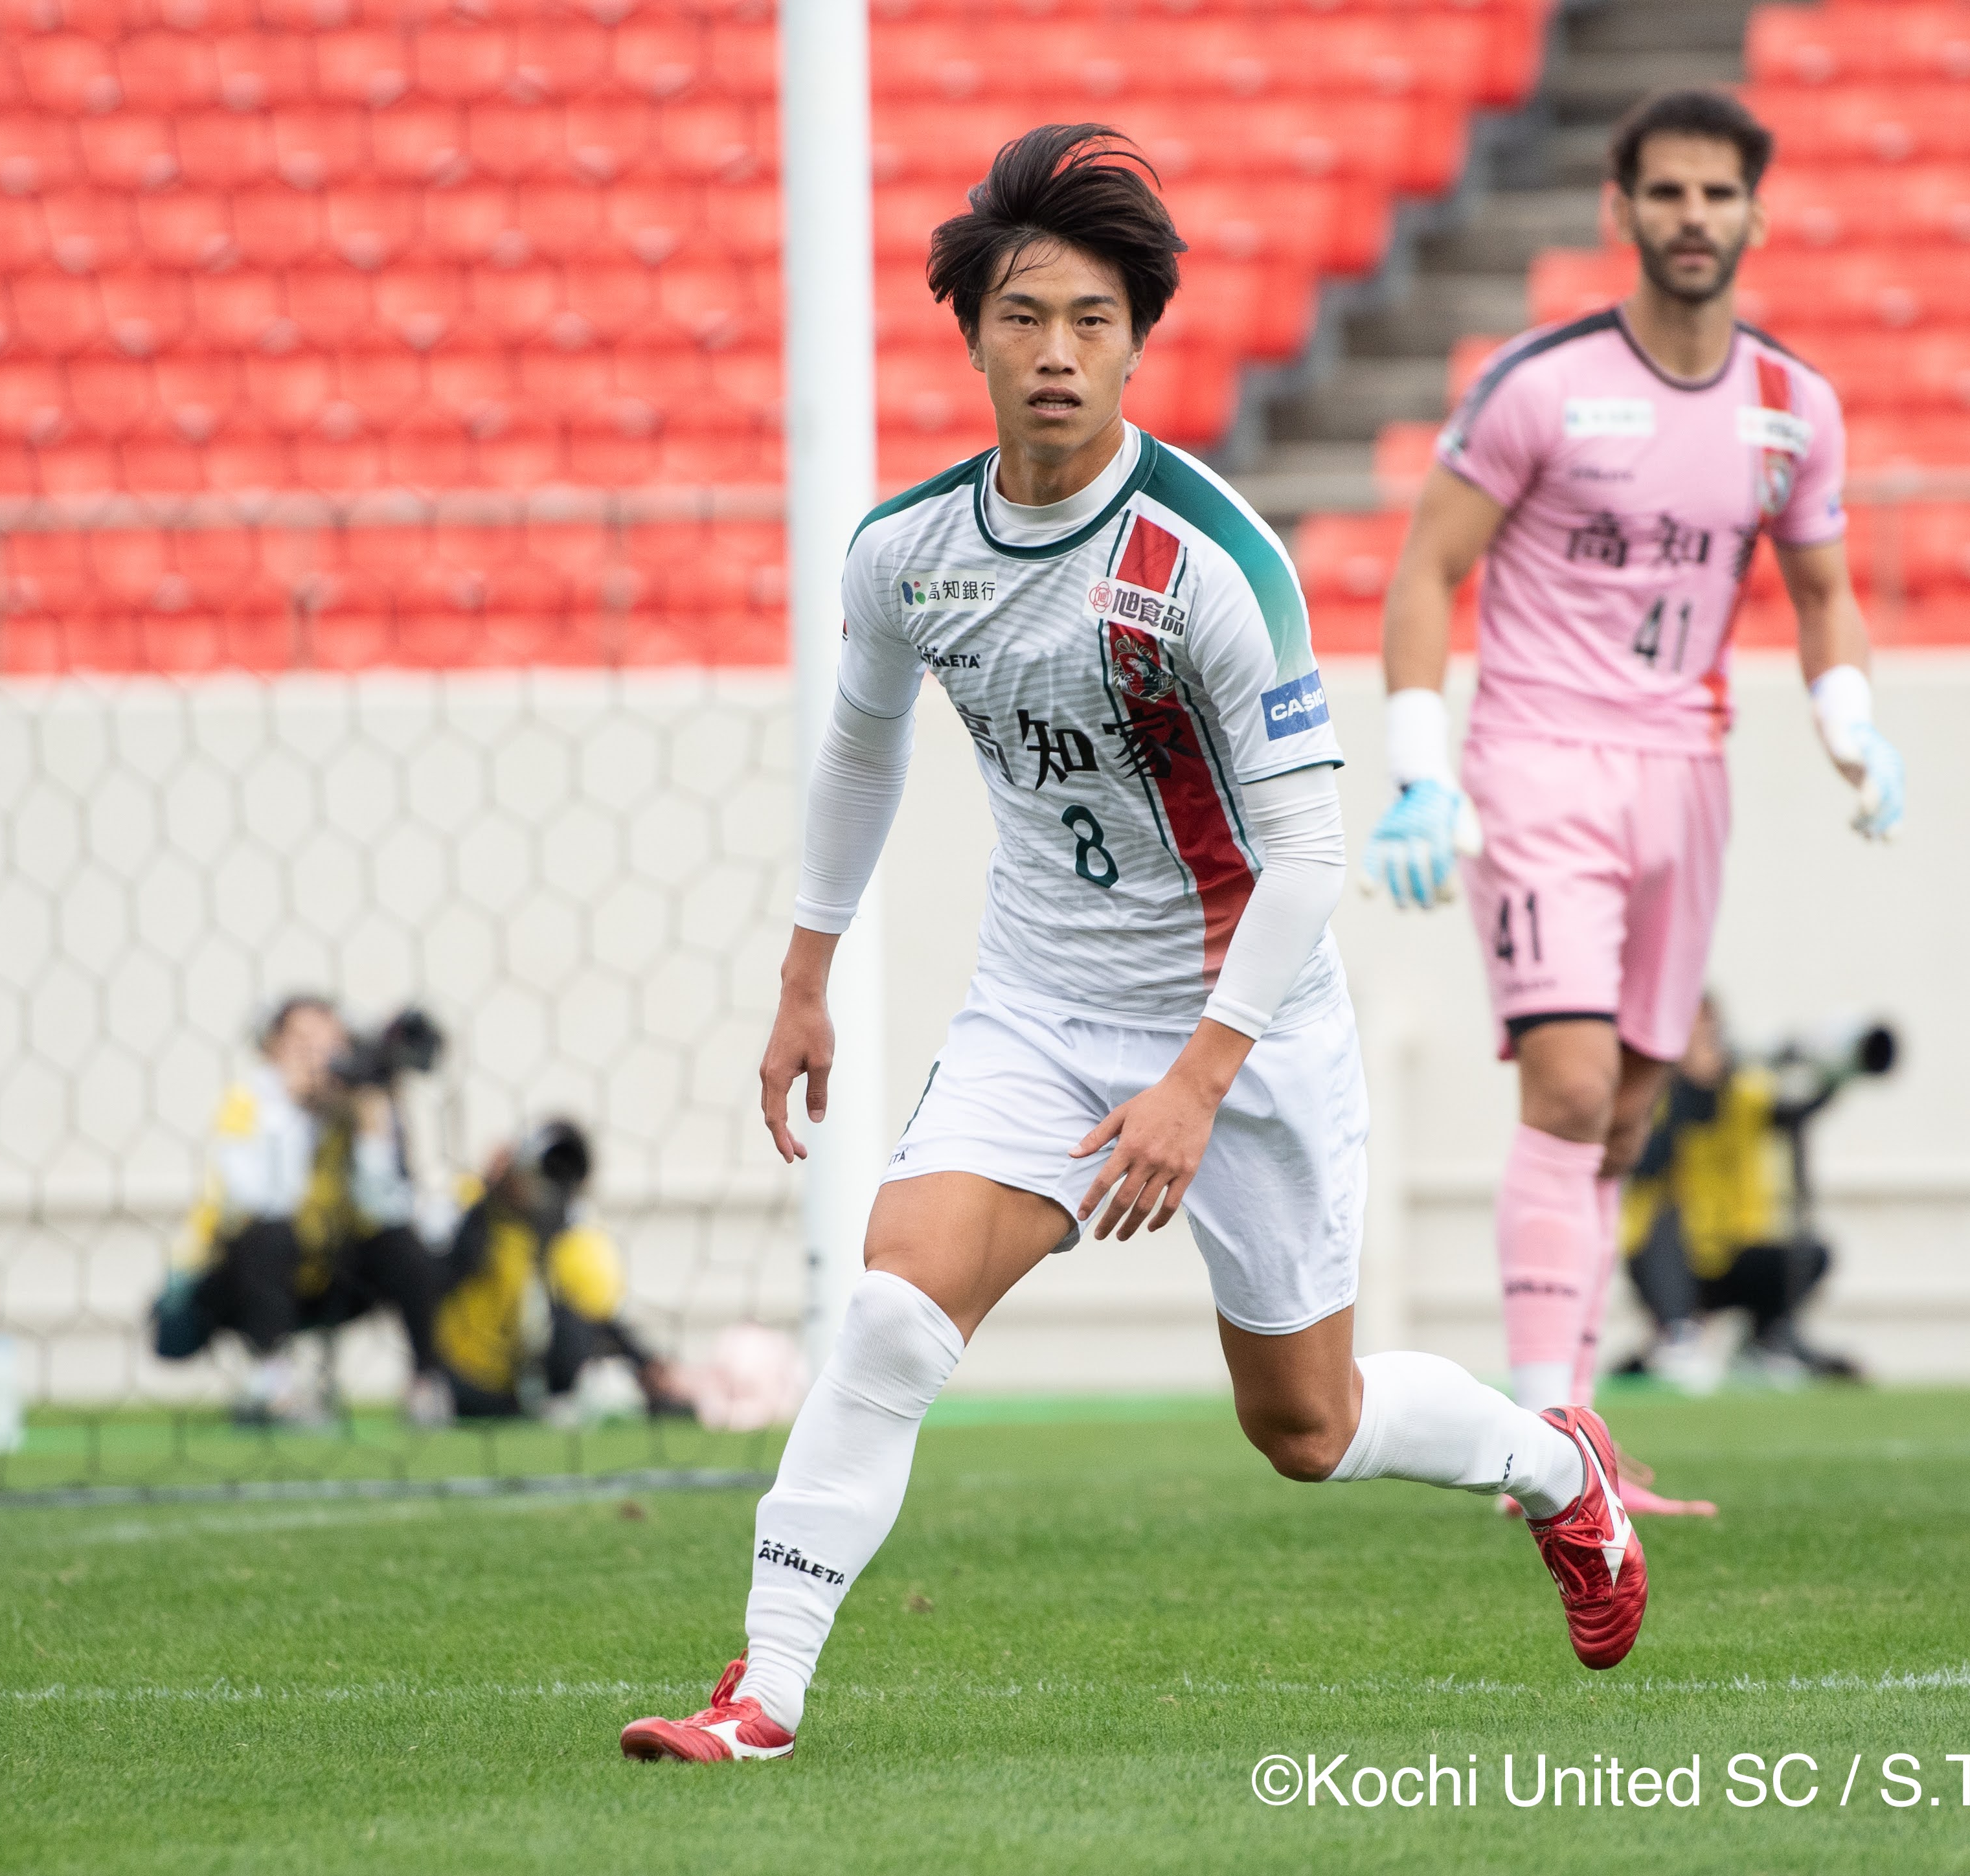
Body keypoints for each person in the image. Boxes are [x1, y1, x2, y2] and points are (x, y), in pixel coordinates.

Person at [620, 124, 1648, 1766]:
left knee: (1304, 1424)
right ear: (970, 333)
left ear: (1134, 342)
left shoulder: (1209, 564)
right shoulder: (904, 554)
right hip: (1037, 1007)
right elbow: (861, 746)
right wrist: (805, 972)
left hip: (1246, 1020)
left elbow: (1306, 857)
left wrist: (1197, 1079)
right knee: (888, 1311)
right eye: (1023, 316)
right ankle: (765, 1691)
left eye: (1090, 320)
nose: (1054, 351)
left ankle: (1556, 1467)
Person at [1361, 91, 1905, 1515]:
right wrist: (1421, 767)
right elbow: (1426, 569)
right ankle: (1549, 1449)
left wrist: (1850, 718)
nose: (1691, 216)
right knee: (1570, 1085)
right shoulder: (1540, 386)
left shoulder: (1792, 406)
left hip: (1688, 776)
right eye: (1665, 191)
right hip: (1539, 756)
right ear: (1622, 209)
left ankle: (1576, 1433)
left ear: (1754, 212)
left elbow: (1823, 591)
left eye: (1716, 193)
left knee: (1627, 1118)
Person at [154, 993, 447, 1429]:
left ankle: (427, 1385)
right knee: (268, 1235)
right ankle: (272, 1385)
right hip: (234, 1280)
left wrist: (371, 1127)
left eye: (330, 1043)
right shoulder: (249, 1102)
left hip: (329, 1275)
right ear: (272, 1048)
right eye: (301, 1042)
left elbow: (387, 1210)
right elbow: (263, 1201)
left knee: (404, 1245)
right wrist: (290, 1111)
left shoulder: (358, 1106)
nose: (317, 1055)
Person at [1618, 995, 1867, 1394]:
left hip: (1733, 1248)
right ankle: (1676, 1337)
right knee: (1664, 1227)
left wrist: (1834, 1075)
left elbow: (1792, 1114)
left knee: (1809, 1251)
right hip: (1669, 1255)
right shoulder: (1652, 1093)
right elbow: (1645, 1165)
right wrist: (1688, 1087)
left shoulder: (1744, 1087)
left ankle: (1765, 1342)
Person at [421, 1120, 693, 1423]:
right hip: (463, 1373)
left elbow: (593, 1314)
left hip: (522, 1386)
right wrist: (491, 1196)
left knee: (574, 1319)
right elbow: (443, 1271)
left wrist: (645, 1362)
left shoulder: (571, 1239)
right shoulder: (472, 1202)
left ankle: (569, 1396)